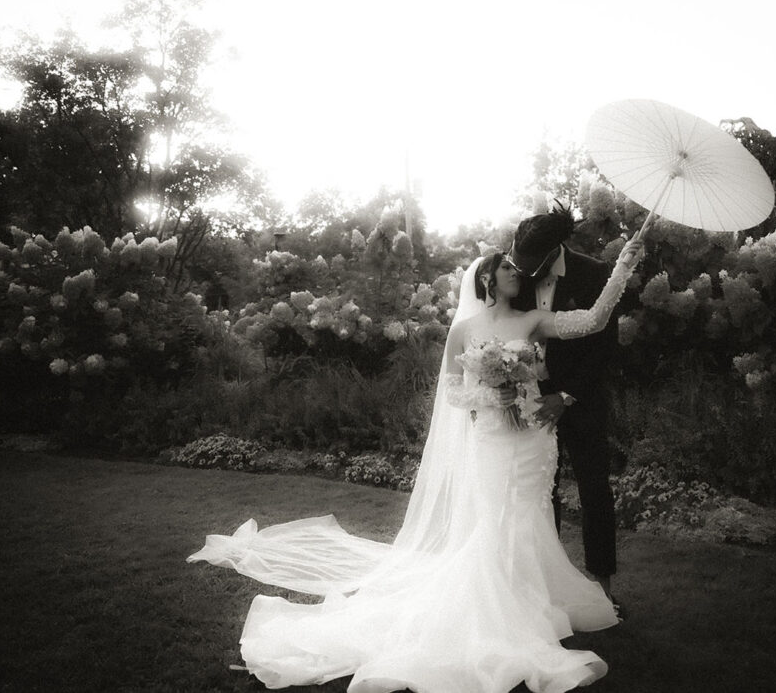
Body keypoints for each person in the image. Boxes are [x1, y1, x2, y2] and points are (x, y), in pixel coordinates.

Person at [187, 235, 645, 693]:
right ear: (486, 279)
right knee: (496, 519)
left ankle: (530, 595)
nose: (515, 272)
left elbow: (592, 320)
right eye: (505, 267)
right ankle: (495, 603)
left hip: (534, 439)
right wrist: (491, 393)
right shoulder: (465, 331)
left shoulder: (531, 321)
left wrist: (620, 268)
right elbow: (452, 393)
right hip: (492, 436)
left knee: (531, 512)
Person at [508, 204, 627, 612]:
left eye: (529, 266)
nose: (521, 273)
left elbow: (603, 345)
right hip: (532, 403)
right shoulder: (515, 278)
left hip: (583, 399)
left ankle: (604, 591)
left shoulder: (593, 274)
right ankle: (548, 590)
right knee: (542, 493)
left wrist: (568, 395)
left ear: (552, 251)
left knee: (595, 490)